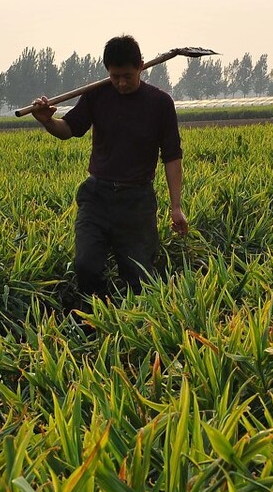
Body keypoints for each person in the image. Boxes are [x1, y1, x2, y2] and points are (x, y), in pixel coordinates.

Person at [30, 34, 188, 300]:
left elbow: (172, 156)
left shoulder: (159, 103)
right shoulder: (97, 95)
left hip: (137, 201)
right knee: (86, 266)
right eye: (114, 76)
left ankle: (135, 327)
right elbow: (68, 129)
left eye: (127, 75)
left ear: (141, 65)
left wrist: (176, 206)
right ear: (107, 71)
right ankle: (96, 322)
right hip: (97, 197)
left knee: (140, 277)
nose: (121, 83)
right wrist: (47, 121)